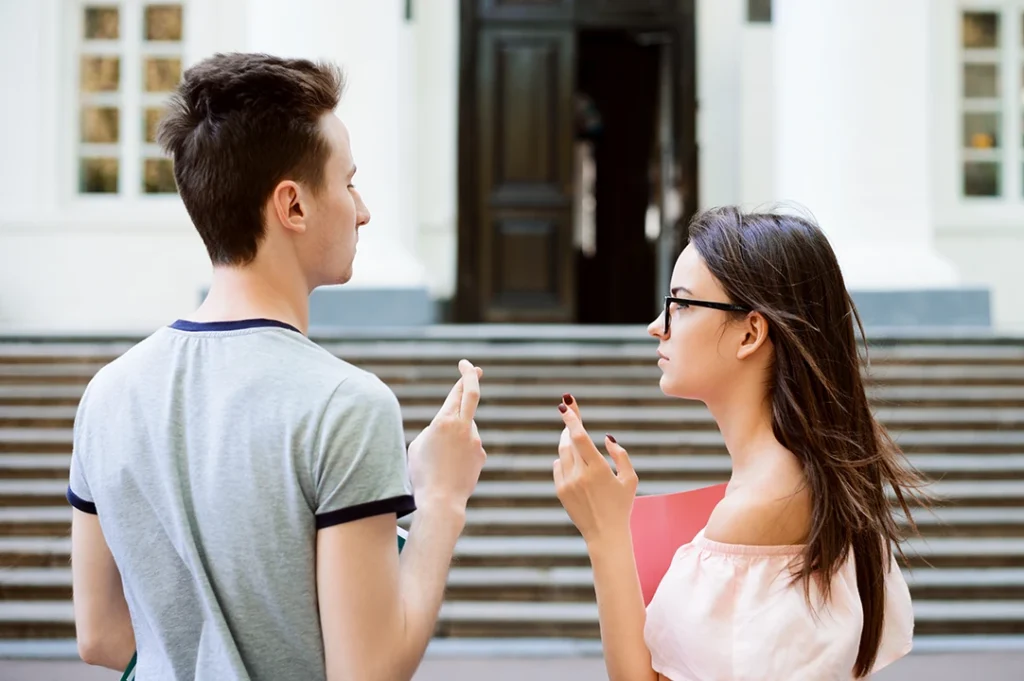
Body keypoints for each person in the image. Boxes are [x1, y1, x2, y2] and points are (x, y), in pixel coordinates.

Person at [66, 53, 486, 681]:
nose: (363, 209)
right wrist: (443, 498)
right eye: (348, 182)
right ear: (292, 205)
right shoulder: (346, 404)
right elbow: (367, 672)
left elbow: (99, 634)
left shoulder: (107, 394)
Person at [553, 207, 922, 680]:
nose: (657, 326)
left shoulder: (760, 504)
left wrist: (605, 532)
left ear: (750, 332)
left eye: (681, 305)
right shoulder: (798, 475)